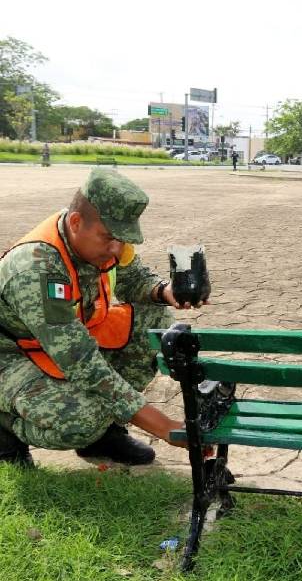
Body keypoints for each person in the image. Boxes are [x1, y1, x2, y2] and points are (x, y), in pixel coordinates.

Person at [0, 169, 205, 467]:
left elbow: (133, 278)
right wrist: (167, 428)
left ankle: (105, 435)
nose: (116, 249)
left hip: (60, 344)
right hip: (11, 356)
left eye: (121, 239)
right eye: (109, 238)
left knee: (156, 322)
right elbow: (83, 363)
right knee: (83, 420)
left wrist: (166, 291)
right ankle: (6, 428)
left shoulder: (102, 238)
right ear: (75, 223)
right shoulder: (36, 270)